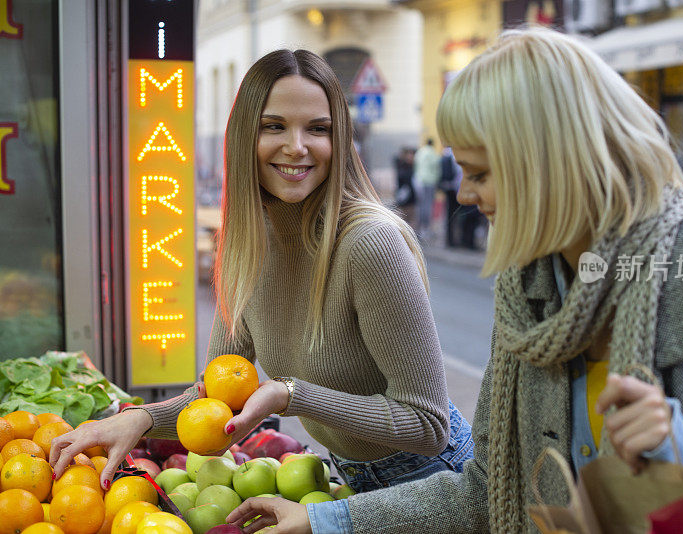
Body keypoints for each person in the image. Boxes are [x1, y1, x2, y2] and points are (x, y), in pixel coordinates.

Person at [226, 28, 683, 533]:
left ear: (550, 161)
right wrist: (329, 520)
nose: (466, 196)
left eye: (479, 172)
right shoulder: (529, 293)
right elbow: (489, 490)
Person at [49, 49, 473, 496]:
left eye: (318, 128)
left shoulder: (369, 243)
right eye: (274, 126)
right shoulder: (246, 245)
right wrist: (140, 419)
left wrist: (292, 394)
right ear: (245, 136)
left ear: (340, 140)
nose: (296, 146)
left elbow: (428, 424)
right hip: (354, 481)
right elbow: (216, 393)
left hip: (439, 483)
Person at [413, 138, 440, 239]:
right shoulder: (433, 153)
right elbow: (437, 169)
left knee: (420, 205)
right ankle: (426, 229)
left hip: (419, 180)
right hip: (430, 181)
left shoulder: (420, 152)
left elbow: (415, 165)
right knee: (428, 205)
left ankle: (419, 229)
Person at [438, 146, 462, 248]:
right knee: (452, 214)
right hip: (453, 188)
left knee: (451, 214)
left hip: (450, 188)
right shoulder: (450, 156)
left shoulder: (446, 155)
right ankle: (451, 240)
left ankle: (451, 240)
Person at [392, 147, 416, 229]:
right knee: (404, 218)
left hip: (411, 197)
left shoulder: (414, 167)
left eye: (412, 155)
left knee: (411, 217)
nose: (411, 157)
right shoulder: (401, 166)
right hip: (403, 196)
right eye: (409, 155)